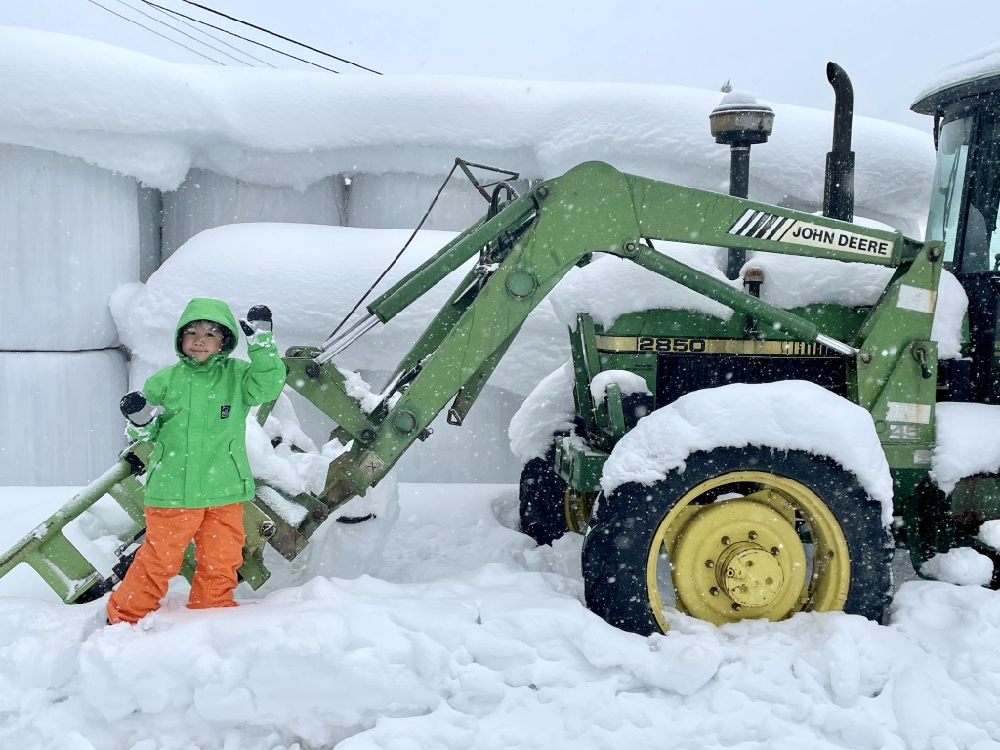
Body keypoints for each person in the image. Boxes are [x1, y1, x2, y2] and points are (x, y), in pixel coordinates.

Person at [106, 297, 286, 625]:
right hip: (174, 490)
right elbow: (146, 434)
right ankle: (124, 618)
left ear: (226, 340)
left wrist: (262, 344)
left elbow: (268, 385)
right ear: (180, 339)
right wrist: (142, 420)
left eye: (210, 333)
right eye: (192, 333)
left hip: (225, 489)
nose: (200, 340)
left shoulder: (239, 377)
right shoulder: (163, 382)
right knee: (158, 560)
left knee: (222, 559)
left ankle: (211, 615)